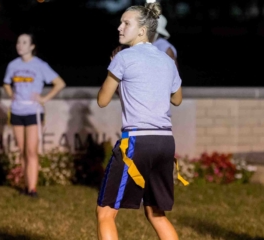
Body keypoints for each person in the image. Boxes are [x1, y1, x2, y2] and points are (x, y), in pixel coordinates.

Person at [96, 2, 188, 240]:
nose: (119, 27)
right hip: (165, 142)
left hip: (137, 141)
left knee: (105, 213)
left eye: (126, 23)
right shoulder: (167, 60)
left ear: (142, 30)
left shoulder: (123, 58)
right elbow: (177, 99)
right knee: (156, 213)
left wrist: (116, 77)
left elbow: (102, 100)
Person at [3, 33, 66, 197]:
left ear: (32, 47)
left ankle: (32, 188)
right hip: (17, 111)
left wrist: (44, 98)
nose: (20, 45)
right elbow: (6, 83)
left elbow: (59, 83)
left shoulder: (40, 65)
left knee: (31, 151)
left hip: (33, 112)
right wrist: (11, 95)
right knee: (22, 151)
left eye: (24, 42)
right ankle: (26, 186)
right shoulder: (12, 65)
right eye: (18, 42)